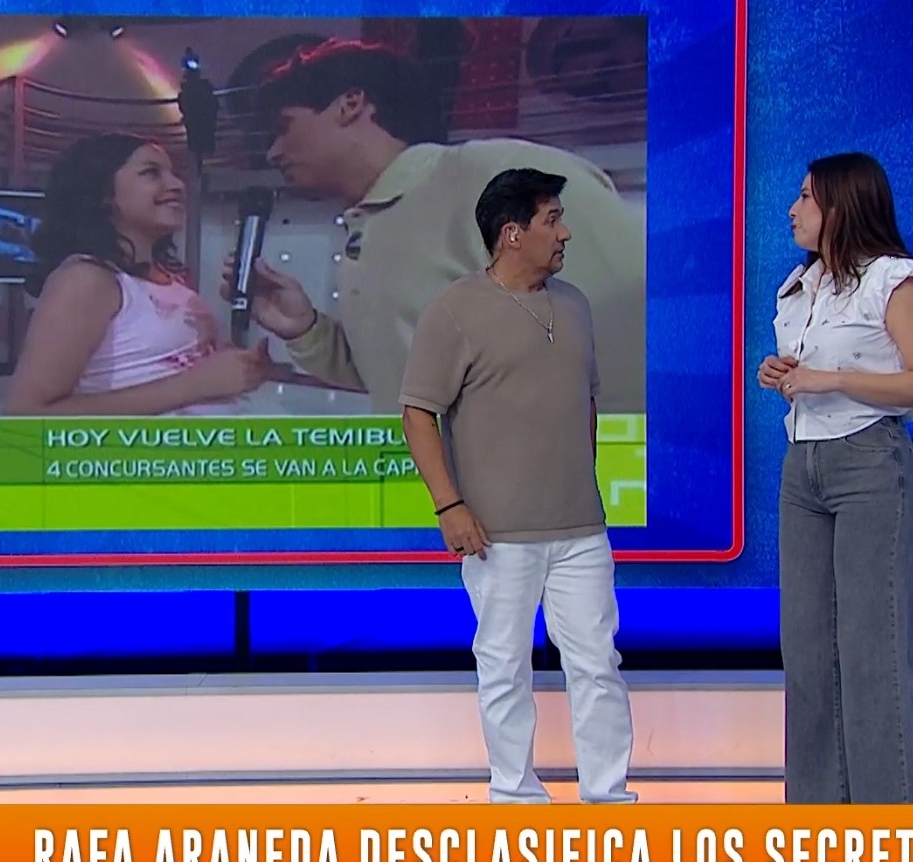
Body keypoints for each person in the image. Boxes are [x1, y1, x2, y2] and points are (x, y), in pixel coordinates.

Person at [224, 38, 645, 415]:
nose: (274, 152)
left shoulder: (499, 176)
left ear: (350, 104)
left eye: (284, 126)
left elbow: (625, 333)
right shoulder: (371, 224)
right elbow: (401, 374)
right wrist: (306, 329)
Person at [400, 168, 635, 805]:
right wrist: (449, 506)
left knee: (598, 664)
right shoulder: (454, 310)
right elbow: (418, 413)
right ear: (512, 234)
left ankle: (608, 801)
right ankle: (515, 799)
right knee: (504, 667)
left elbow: (584, 403)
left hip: (581, 530)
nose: (565, 233)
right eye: (552, 220)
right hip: (494, 534)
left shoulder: (576, 304)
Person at [758, 152, 913, 806]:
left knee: (871, 654)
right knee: (808, 656)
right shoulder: (800, 287)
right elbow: (810, 376)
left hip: (869, 465)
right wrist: (784, 376)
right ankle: (817, 827)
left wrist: (832, 379)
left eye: (805, 197)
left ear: (840, 207)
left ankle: (883, 832)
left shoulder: (894, 281)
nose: (792, 209)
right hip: (802, 467)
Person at [5, 134, 271, 416]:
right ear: (103, 193)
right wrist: (196, 385)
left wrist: (237, 367)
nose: (177, 185)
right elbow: (26, 413)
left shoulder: (171, 278)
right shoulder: (85, 279)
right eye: (151, 173)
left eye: (174, 173)